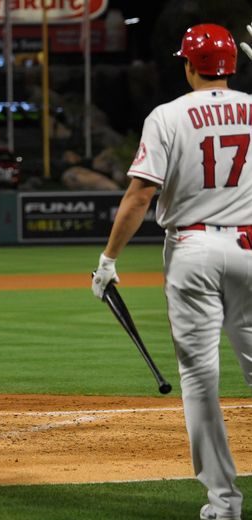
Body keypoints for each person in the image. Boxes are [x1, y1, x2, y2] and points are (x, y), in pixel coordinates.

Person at [92, 25, 251, 520]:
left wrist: (108, 259)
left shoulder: (167, 115)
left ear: (188, 66)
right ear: (234, 65)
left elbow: (141, 194)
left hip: (193, 248)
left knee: (200, 378)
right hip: (250, 244)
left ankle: (223, 504)